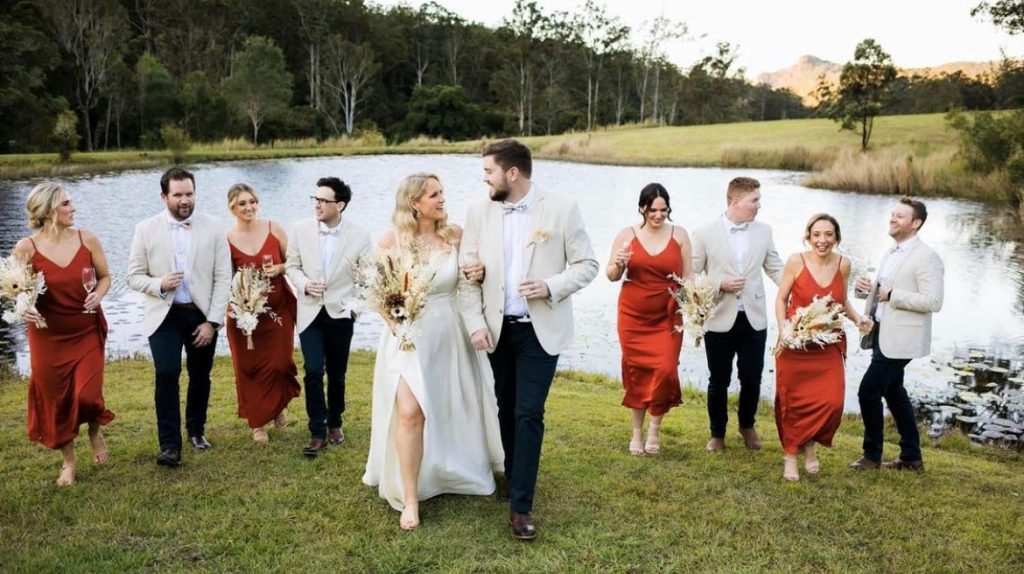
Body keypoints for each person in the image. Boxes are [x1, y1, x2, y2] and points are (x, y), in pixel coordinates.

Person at [461, 139, 598, 541]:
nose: (484, 179)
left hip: (541, 330)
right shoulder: (477, 210)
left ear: (512, 173)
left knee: (529, 412)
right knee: (506, 407)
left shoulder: (561, 208)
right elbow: (468, 272)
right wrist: (474, 322)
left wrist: (551, 285)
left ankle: (521, 506)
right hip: (498, 329)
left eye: (489, 172)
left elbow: (587, 264)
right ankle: (513, 471)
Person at [362, 173, 504, 531]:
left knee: (450, 405)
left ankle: (451, 470)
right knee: (410, 412)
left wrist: (480, 270)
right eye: (434, 195)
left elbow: (476, 276)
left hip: (449, 331)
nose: (442, 199)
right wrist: (397, 325)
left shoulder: (454, 235)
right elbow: (376, 294)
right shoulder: (391, 240)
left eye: (442, 193)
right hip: (406, 336)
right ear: (414, 203)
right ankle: (410, 498)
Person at [126, 167, 231, 467]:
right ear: (164, 196)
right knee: (167, 373)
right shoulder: (144, 229)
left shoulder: (214, 227)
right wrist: (159, 283)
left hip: (201, 314)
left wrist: (212, 322)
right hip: (165, 315)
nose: (184, 201)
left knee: (200, 375)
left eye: (189, 194)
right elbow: (133, 276)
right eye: (178, 195)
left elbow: (223, 278)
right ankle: (170, 445)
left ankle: (196, 431)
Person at [13, 183, 114, 485]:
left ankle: (94, 431)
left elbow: (106, 276)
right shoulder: (25, 248)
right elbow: (14, 289)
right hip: (46, 335)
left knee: (87, 394)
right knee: (56, 398)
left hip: (84, 329)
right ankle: (68, 462)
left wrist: (98, 294)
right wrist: (22, 306)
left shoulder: (88, 239)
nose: (74, 209)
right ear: (47, 211)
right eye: (66, 204)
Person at [773, 214, 871, 481]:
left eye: (828, 234)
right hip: (795, 344)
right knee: (793, 403)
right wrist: (784, 330)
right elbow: (781, 299)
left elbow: (841, 302)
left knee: (831, 403)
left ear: (836, 237)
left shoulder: (844, 264)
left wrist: (859, 318)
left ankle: (809, 443)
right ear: (808, 236)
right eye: (816, 234)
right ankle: (792, 454)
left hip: (829, 345)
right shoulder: (796, 261)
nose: (822, 240)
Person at [849, 196, 944, 472]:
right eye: (892, 214)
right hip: (881, 334)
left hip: (902, 339)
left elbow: (933, 302)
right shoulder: (891, 252)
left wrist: (893, 294)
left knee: (868, 391)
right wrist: (864, 288)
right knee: (894, 391)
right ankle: (912, 457)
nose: (893, 219)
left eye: (900, 216)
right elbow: (881, 293)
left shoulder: (928, 257)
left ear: (916, 224)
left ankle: (871, 456)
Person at [691, 177, 784, 453]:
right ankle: (717, 434)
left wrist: (800, 289)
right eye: (754, 200)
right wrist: (718, 284)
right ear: (735, 201)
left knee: (752, 377)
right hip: (718, 316)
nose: (759, 206)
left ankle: (747, 425)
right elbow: (691, 276)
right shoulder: (704, 233)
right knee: (718, 379)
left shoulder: (764, 231)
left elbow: (776, 268)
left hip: (754, 318)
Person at [285, 177, 371, 458]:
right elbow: (292, 267)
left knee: (337, 374)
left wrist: (355, 309)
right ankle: (317, 431)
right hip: (309, 311)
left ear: (340, 205)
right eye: (316, 199)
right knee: (312, 370)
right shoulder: (299, 230)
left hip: (341, 313)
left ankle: (336, 422)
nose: (317, 205)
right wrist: (304, 285)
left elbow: (367, 278)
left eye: (324, 200)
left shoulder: (360, 235)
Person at [606, 183, 692, 456]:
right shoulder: (625, 235)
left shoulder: (680, 235)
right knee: (636, 371)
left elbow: (688, 277)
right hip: (633, 315)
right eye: (653, 210)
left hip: (668, 314)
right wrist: (619, 263)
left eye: (664, 210)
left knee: (666, 370)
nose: (658, 215)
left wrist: (693, 306)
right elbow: (611, 275)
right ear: (642, 208)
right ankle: (636, 432)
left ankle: (654, 427)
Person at [224, 183, 300, 444]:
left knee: (280, 364)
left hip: (278, 311)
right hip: (244, 315)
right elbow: (223, 278)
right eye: (242, 203)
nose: (249, 207)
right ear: (232, 207)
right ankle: (258, 423)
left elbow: (296, 261)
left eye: (252, 202)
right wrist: (241, 305)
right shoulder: (227, 238)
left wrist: (279, 268)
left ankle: (277, 405)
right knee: (248, 368)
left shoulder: (273, 228)